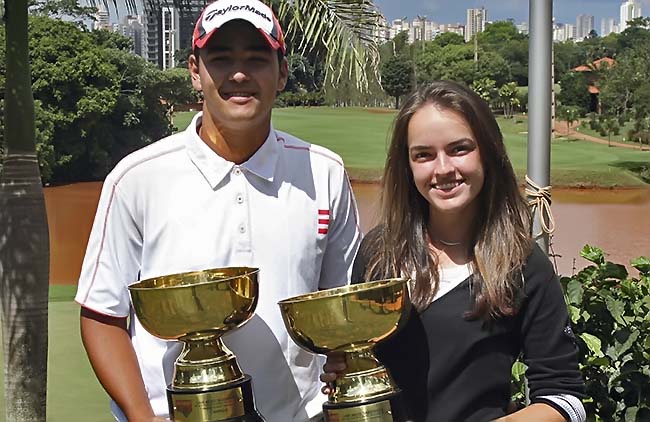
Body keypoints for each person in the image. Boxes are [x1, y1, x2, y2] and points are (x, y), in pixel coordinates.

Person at [75, 1, 361, 420]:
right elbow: (102, 314)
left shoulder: (325, 171)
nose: (239, 74)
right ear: (195, 70)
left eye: (257, 59)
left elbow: (341, 310)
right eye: (221, 59)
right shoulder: (137, 177)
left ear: (282, 72)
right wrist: (141, 416)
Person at [321, 81, 586, 422]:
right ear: (407, 165)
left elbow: (565, 398)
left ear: (488, 153)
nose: (443, 168)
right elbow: (360, 365)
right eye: (424, 155)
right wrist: (344, 370)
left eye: (460, 148)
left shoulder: (522, 264)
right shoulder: (378, 252)